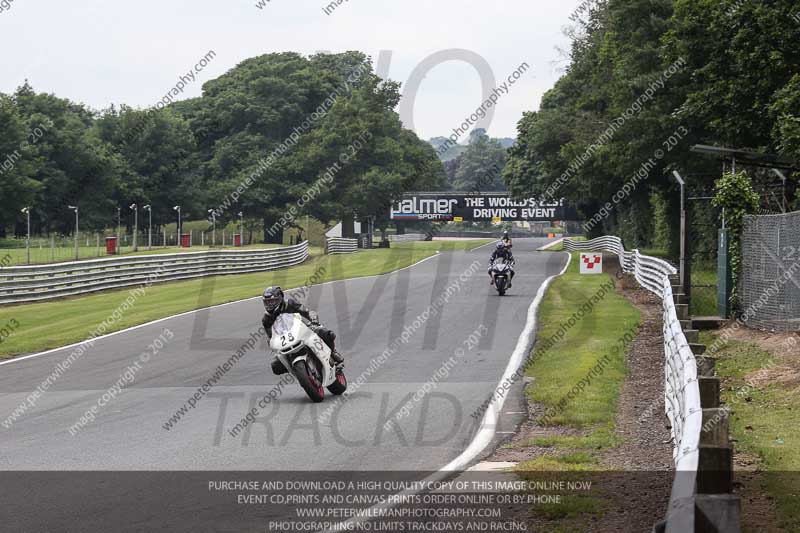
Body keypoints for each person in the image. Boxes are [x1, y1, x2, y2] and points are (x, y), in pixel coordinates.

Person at [261, 286, 344, 375]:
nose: (269, 304)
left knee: (326, 334)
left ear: (280, 298)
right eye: (267, 302)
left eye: (272, 301)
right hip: (285, 341)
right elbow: (270, 336)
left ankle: (333, 353)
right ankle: (296, 371)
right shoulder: (266, 319)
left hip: (301, 329)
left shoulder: (290, 304)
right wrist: (271, 343)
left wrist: (313, 320)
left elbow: (306, 312)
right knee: (275, 366)